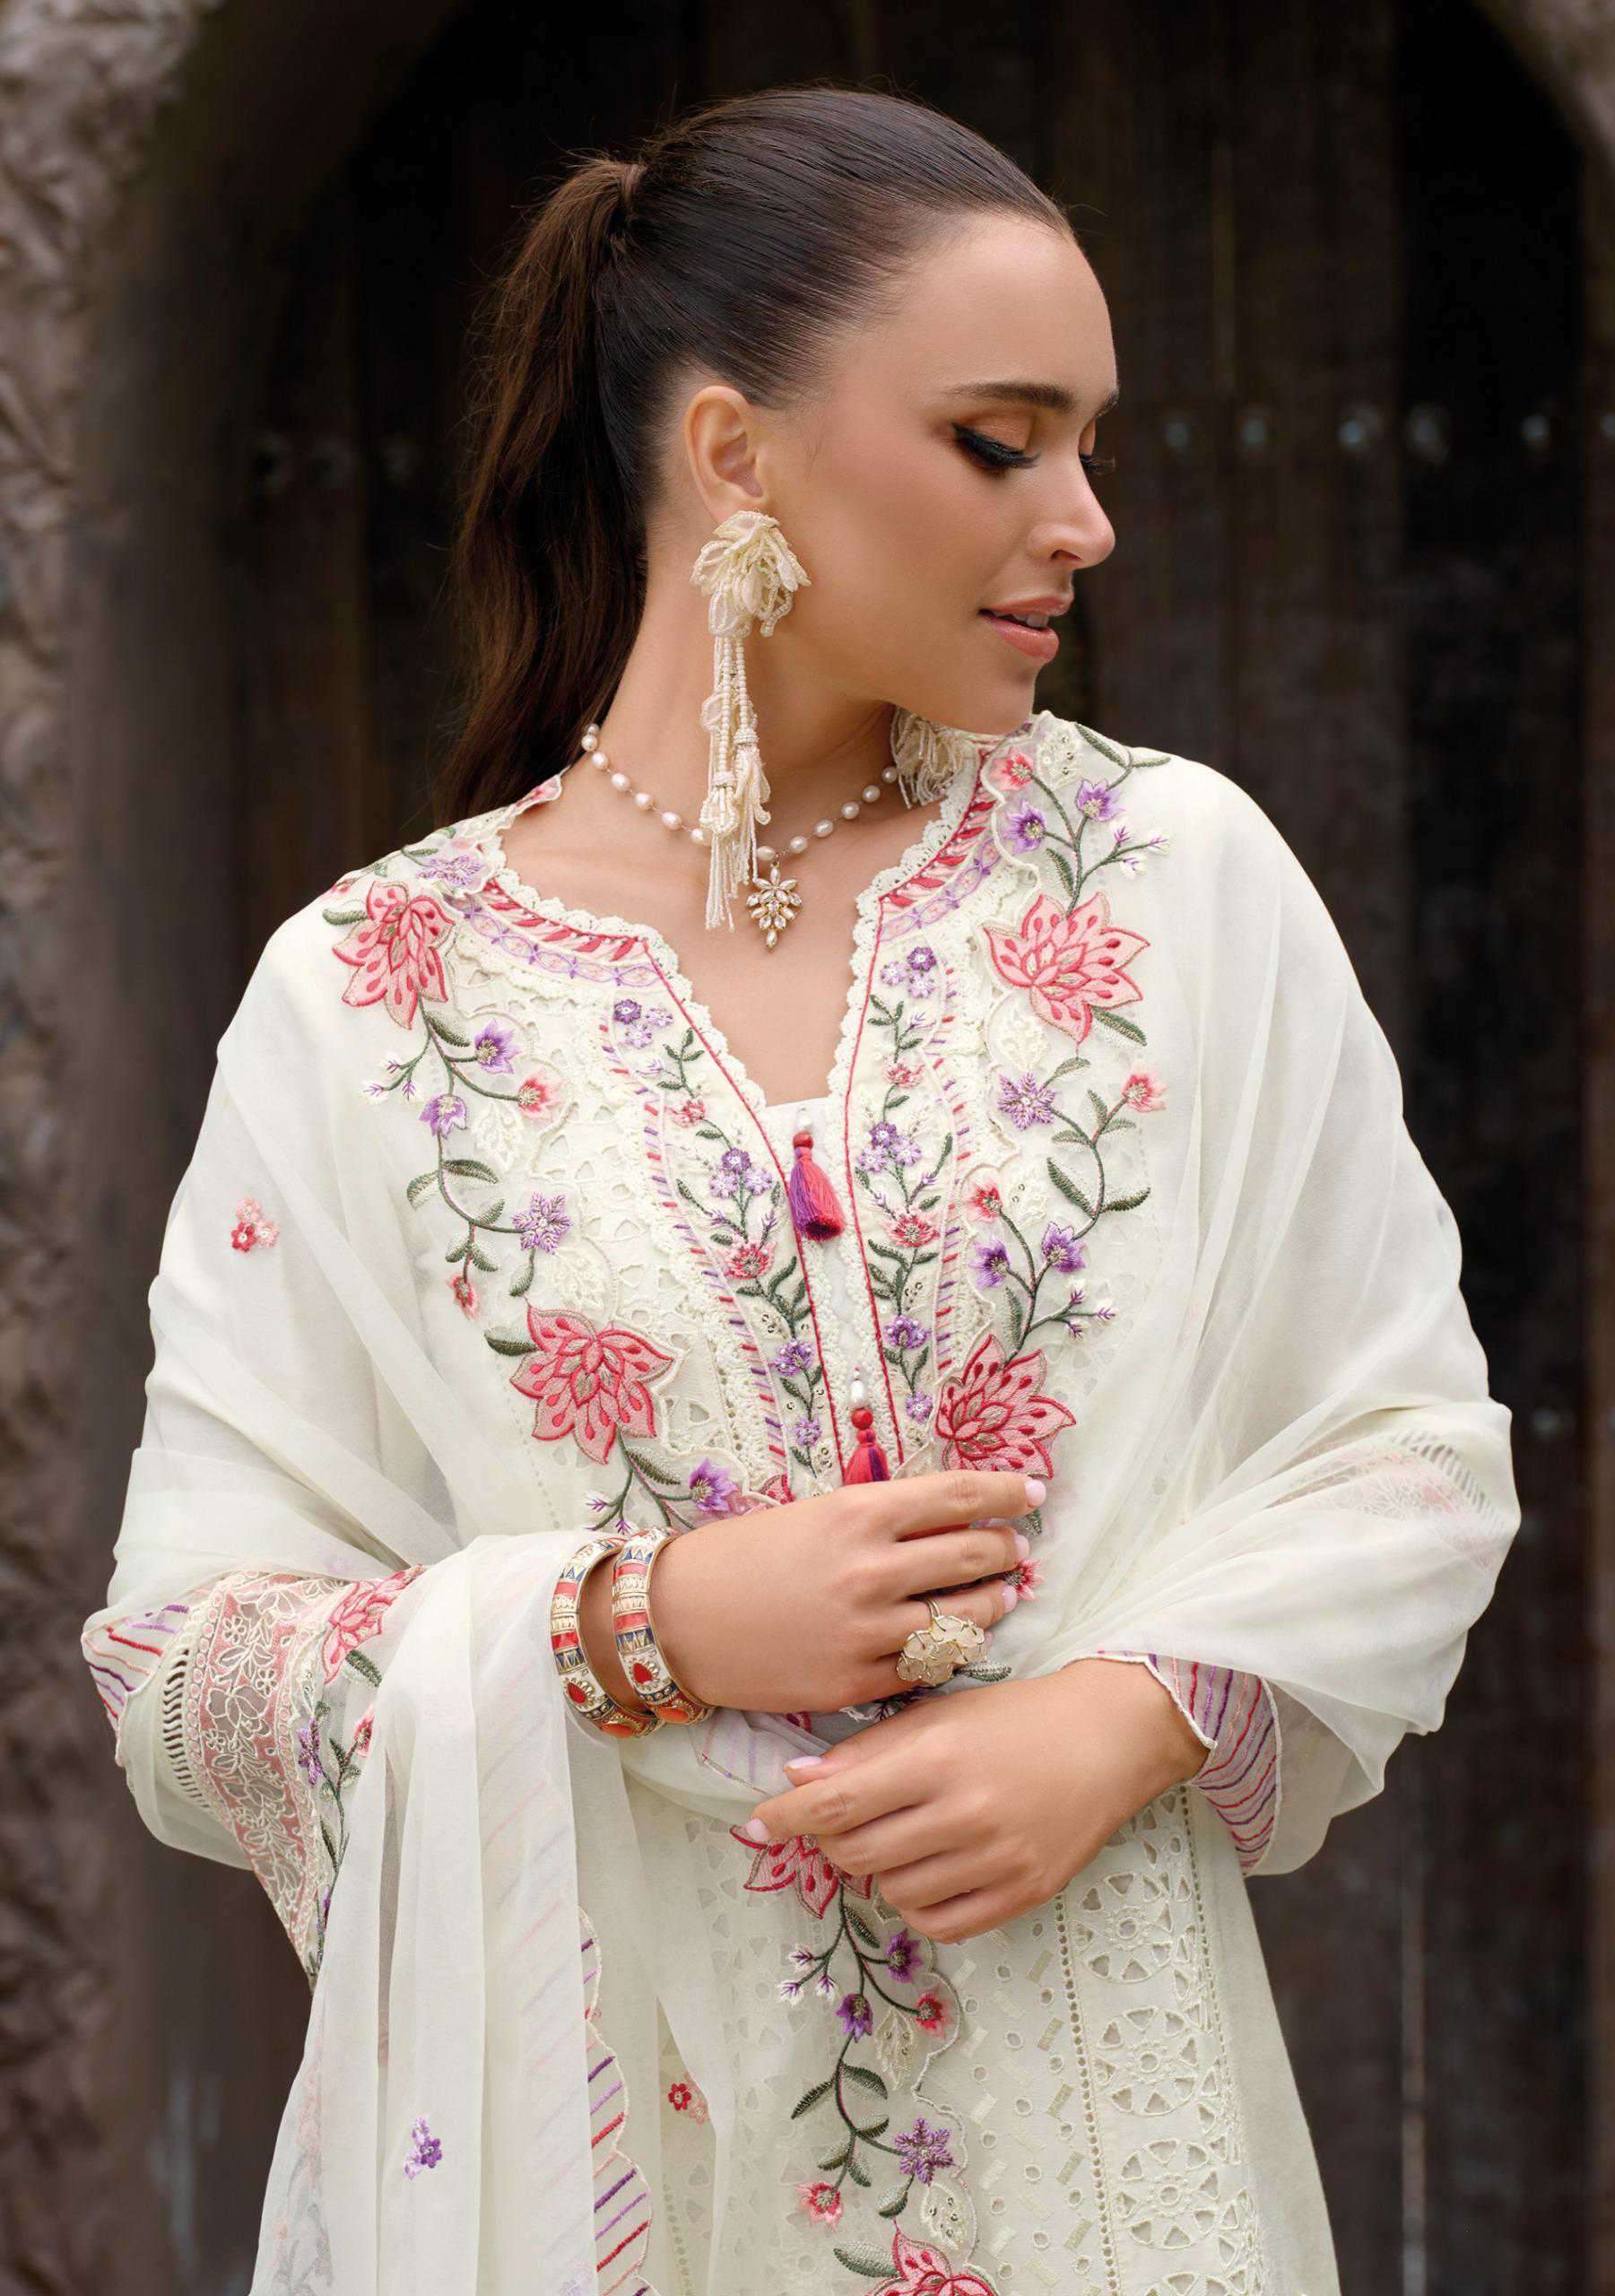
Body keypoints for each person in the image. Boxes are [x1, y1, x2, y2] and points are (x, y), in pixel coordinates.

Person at [80, 83, 1520, 2296]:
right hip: (626, 2138)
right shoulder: (375, 992)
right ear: (734, 456)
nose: (1085, 520)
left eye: (1090, 443)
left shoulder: (1169, 882)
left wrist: (1118, 1715)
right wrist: (639, 1621)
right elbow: (188, 1664)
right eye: (999, 441)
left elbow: (1408, 1448)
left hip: (1103, 2130)